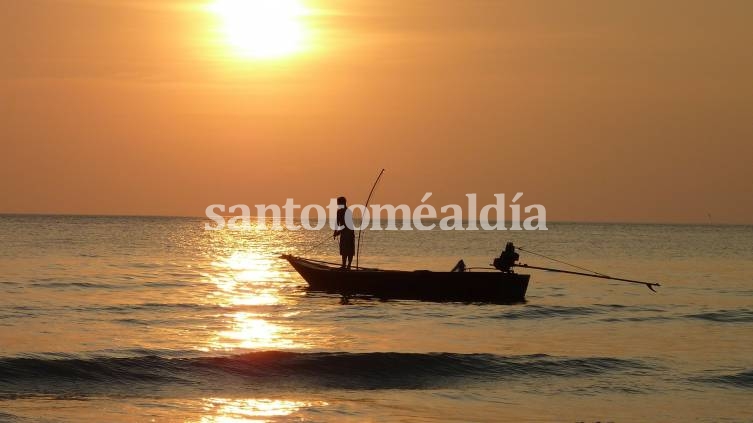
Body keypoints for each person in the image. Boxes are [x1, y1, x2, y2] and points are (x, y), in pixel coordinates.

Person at [333, 196, 355, 269]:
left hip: (349, 233)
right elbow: (337, 222)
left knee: (349, 250)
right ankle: (344, 265)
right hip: (344, 233)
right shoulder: (339, 211)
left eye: (338, 203)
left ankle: (348, 266)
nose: (337, 204)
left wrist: (338, 232)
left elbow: (347, 225)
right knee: (344, 250)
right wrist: (335, 232)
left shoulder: (348, 212)